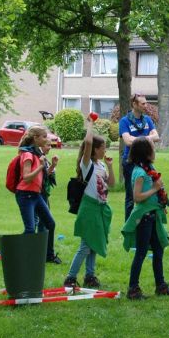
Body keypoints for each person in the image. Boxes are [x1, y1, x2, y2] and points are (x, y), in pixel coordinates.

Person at [121, 137, 169, 300]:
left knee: (158, 250)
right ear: (145, 153)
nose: (154, 151)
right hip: (144, 219)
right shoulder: (140, 173)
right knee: (141, 253)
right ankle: (133, 289)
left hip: (153, 217)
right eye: (152, 149)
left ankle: (161, 286)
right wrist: (155, 189)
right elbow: (137, 197)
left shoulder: (149, 169)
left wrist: (161, 197)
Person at [64, 117, 115, 289]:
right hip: (89, 208)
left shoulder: (101, 165)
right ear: (95, 150)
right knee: (86, 245)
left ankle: (90, 276)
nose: (105, 150)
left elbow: (112, 184)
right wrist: (90, 123)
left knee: (94, 244)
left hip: (100, 208)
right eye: (103, 148)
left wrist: (110, 166)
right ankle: (70, 277)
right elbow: (87, 142)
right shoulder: (86, 165)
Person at [14, 127, 57, 248]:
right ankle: (13, 250)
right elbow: (26, 177)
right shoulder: (28, 154)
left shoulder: (37, 153)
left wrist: (52, 165)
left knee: (50, 224)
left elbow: (43, 176)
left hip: (36, 194)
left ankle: (48, 255)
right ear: (35, 138)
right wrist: (40, 166)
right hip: (25, 195)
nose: (46, 139)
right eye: (44, 137)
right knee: (30, 229)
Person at [119, 94, 160, 220]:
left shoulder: (147, 120)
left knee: (151, 188)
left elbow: (157, 136)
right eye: (143, 103)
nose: (146, 105)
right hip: (130, 161)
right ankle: (129, 225)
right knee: (131, 196)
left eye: (146, 103)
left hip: (146, 161)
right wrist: (148, 138)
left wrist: (137, 138)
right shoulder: (125, 121)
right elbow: (127, 141)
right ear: (134, 104)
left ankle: (147, 220)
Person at [38, 141, 61, 264]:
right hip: (39, 194)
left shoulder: (43, 157)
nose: (50, 147)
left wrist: (52, 165)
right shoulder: (39, 157)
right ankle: (44, 254)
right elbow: (43, 175)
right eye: (47, 145)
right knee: (43, 223)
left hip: (44, 194)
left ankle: (43, 253)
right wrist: (52, 166)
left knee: (43, 223)